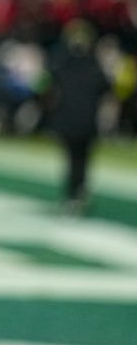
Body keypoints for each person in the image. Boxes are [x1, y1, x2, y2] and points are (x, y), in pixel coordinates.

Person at [44, 19, 111, 216]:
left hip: (70, 119)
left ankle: (74, 195)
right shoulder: (92, 64)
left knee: (73, 159)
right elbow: (106, 90)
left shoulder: (61, 62)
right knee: (81, 160)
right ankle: (77, 193)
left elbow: (48, 86)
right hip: (85, 120)